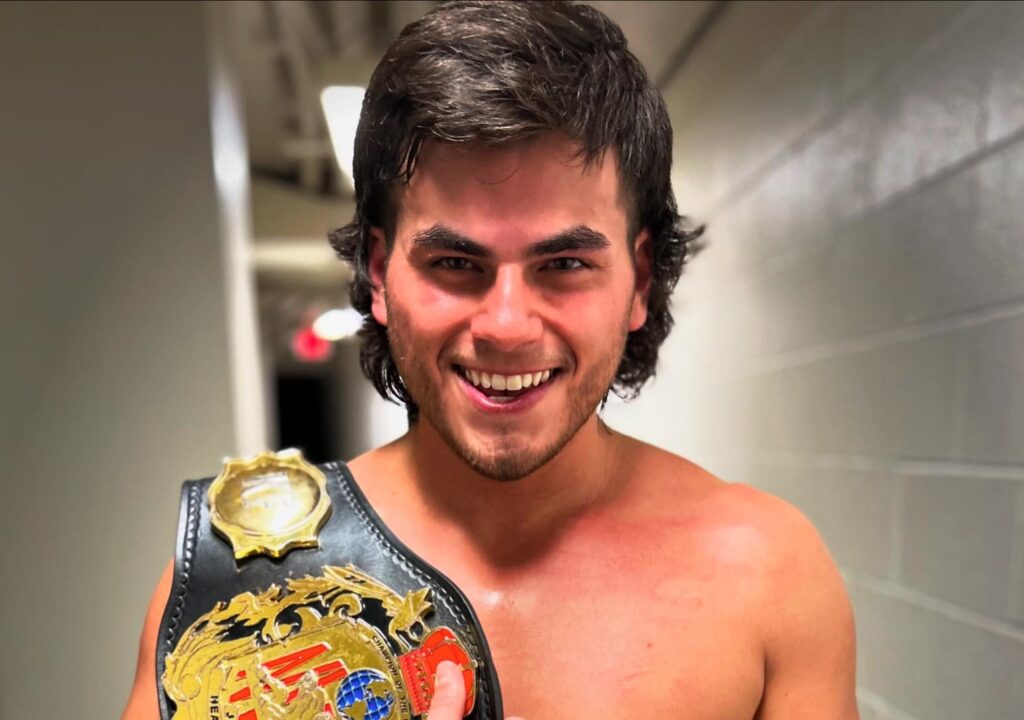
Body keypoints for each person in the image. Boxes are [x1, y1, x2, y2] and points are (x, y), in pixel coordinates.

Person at [125, 2, 859, 719]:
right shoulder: (233, 585)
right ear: (379, 274)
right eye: (454, 263)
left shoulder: (766, 574)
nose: (507, 326)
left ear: (639, 281)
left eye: (564, 264)